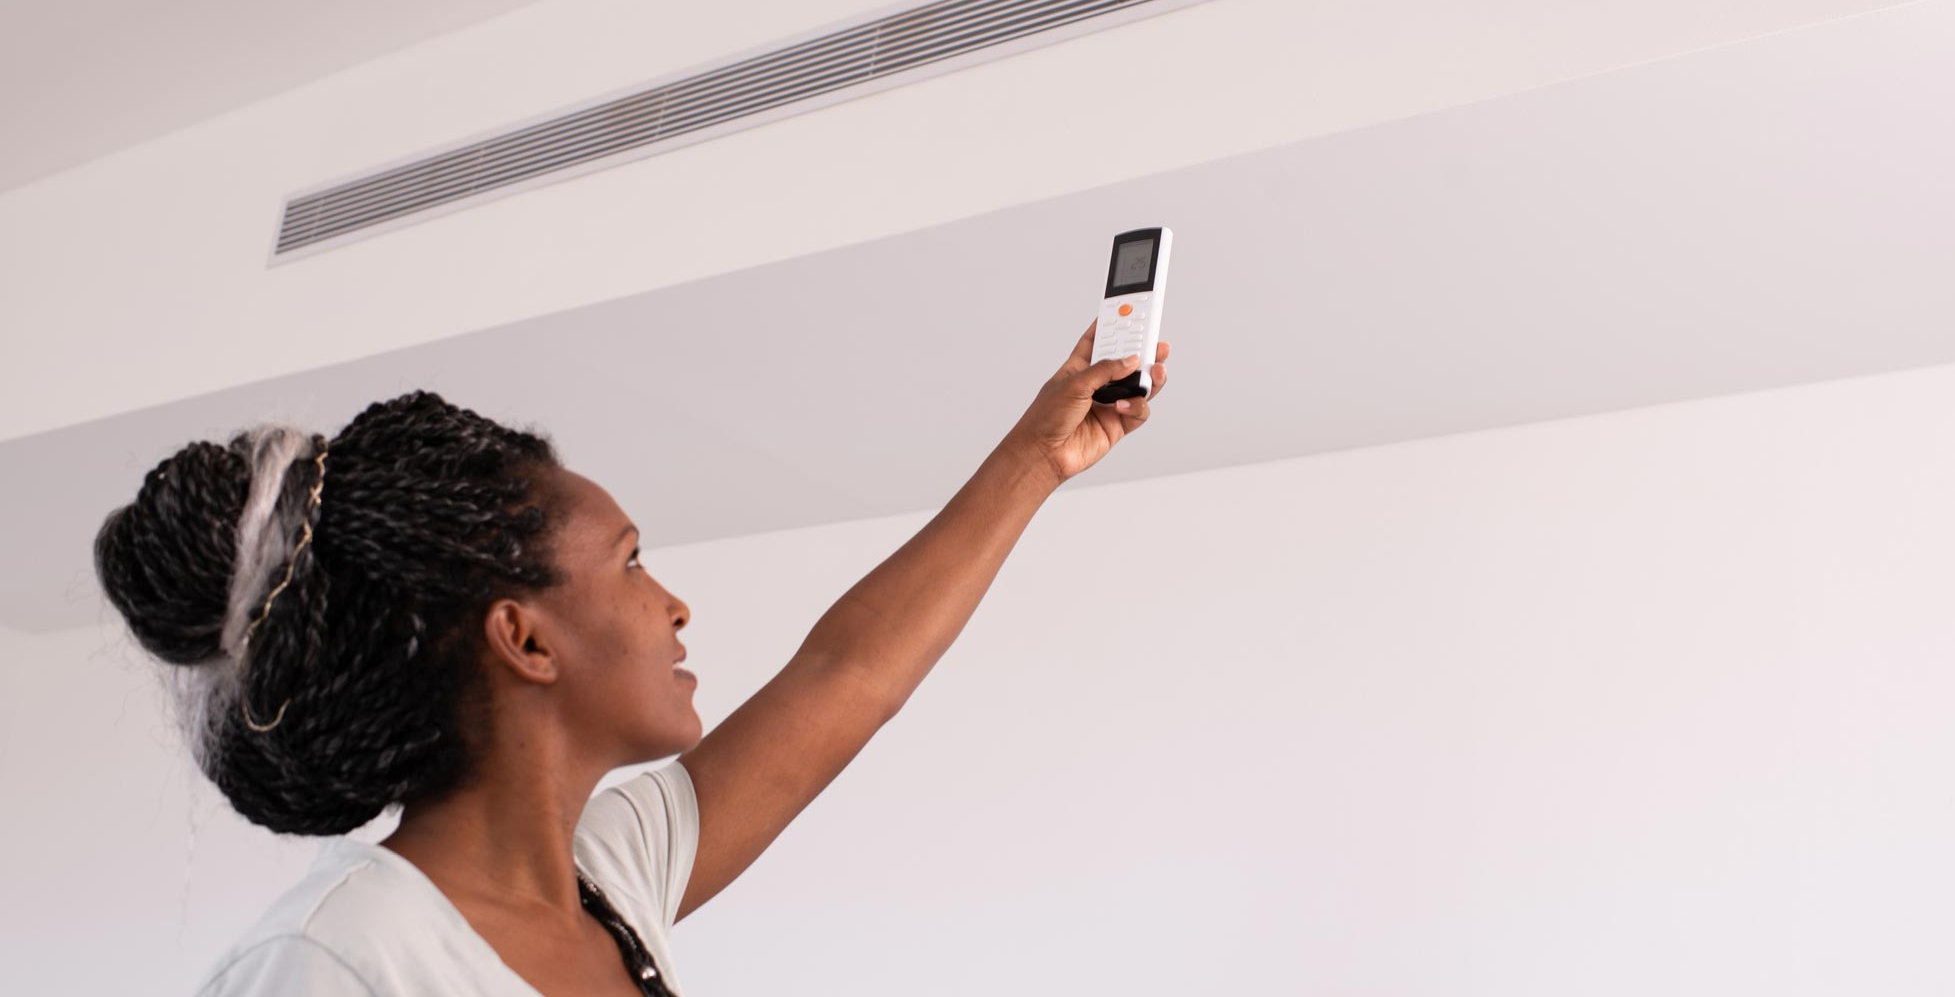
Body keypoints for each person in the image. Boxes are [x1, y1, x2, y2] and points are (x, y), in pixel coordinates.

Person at [93, 322, 1171, 995]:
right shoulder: (334, 964)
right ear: (523, 638)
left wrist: (1036, 459)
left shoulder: (606, 879)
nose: (673, 605)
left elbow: (847, 674)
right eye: (632, 562)